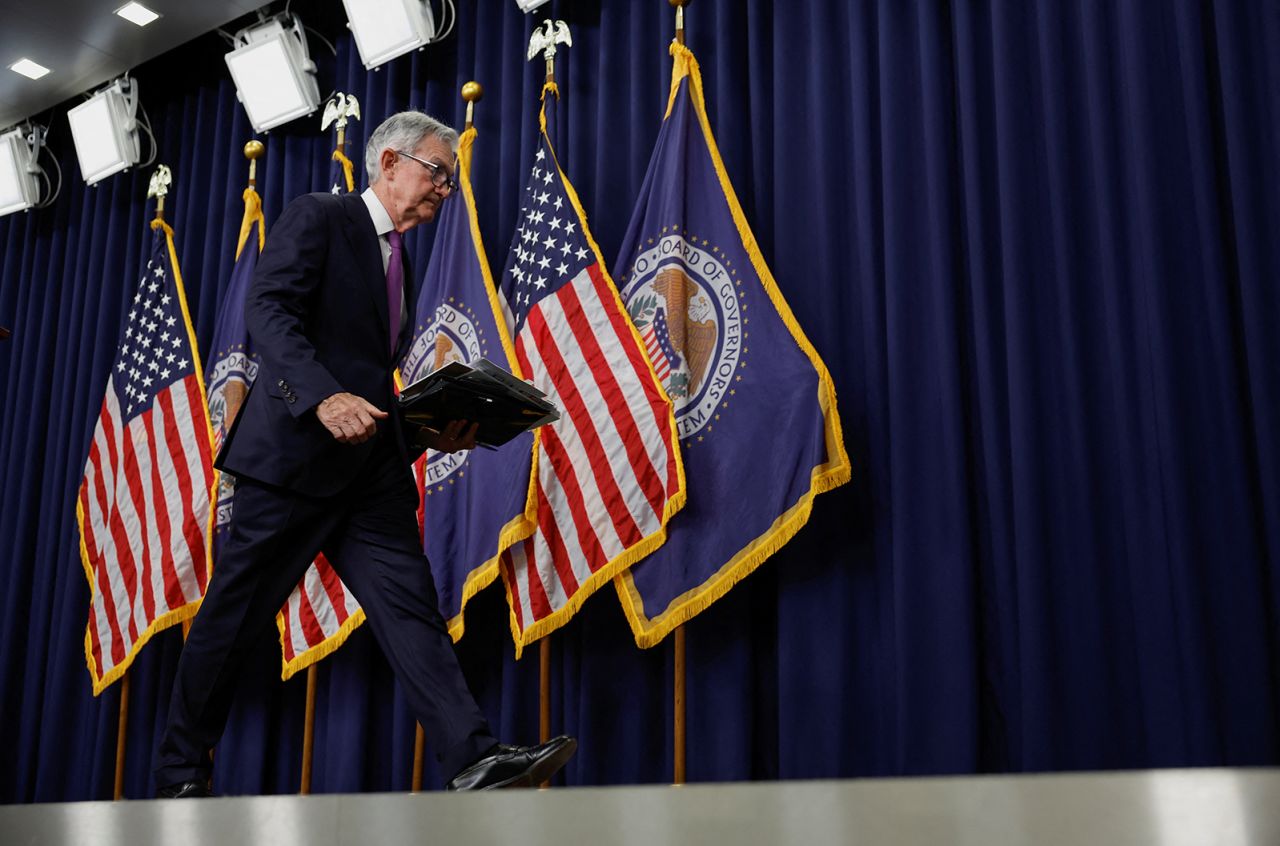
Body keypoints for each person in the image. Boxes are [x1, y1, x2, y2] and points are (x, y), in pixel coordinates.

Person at [153, 111, 575, 797]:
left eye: (449, 181)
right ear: (389, 163)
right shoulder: (321, 217)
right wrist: (321, 398)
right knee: (233, 623)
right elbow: (269, 311)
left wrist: (436, 427)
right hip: (289, 464)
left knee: (411, 611)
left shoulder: (402, 261)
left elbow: (370, 376)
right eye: (438, 173)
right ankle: (178, 775)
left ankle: (473, 760)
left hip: (368, 474)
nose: (445, 190)